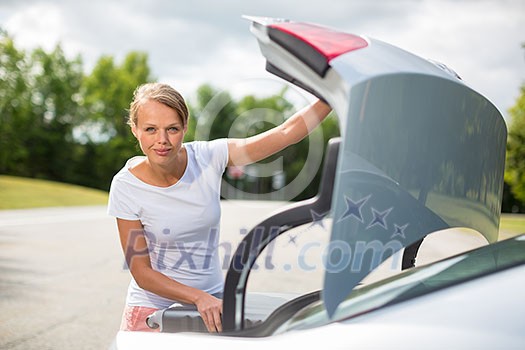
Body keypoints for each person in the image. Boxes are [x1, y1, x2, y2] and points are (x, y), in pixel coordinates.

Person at [107, 82, 331, 333]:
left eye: (172, 129)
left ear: (185, 127)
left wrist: (333, 96)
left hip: (214, 304)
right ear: (135, 130)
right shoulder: (126, 185)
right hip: (154, 311)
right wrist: (196, 297)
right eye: (150, 129)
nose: (162, 140)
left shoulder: (208, 156)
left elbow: (285, 133)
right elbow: (141, 272)